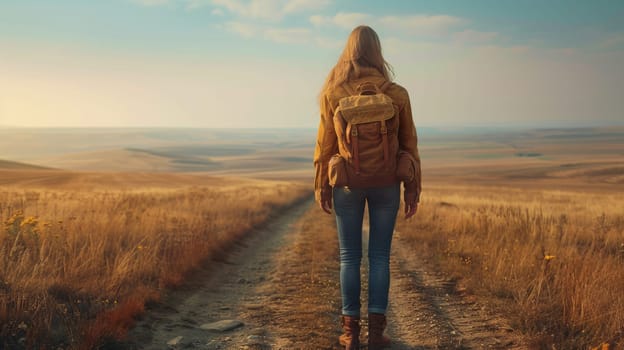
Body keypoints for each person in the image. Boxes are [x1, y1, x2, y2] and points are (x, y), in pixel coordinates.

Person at [313, 25, 421, 349]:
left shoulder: (333, 94)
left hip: (347, 183)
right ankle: (376, 334)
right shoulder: (397, 94)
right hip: (387, 185)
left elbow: (324, 146)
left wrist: (322, 186)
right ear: (378, 52)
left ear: (348, 52)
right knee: (379, 258)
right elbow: (410, 145)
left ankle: (350, 333)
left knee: (349, 257)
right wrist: (413, 190)